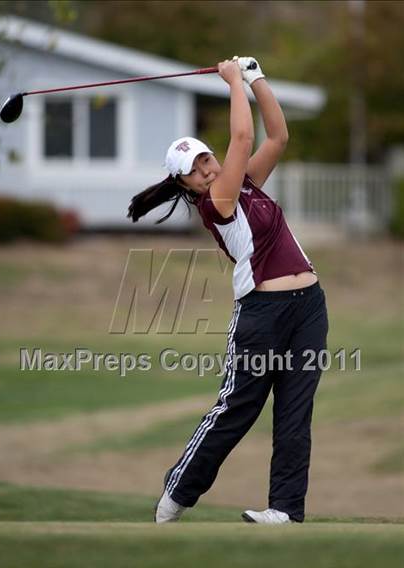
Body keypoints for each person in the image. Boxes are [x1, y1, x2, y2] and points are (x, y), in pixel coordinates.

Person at [127, 57, 329, 524]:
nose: (207, 169)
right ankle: (177, 492)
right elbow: (243, 137)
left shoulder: (249, 185)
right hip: (262, 313)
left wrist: (257, 80)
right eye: (195, 170)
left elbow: (277, 137)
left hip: (309, 309)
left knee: (296, 413)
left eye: (206, 159)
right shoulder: (216, 203)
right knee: (238, 408)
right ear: (186, 184)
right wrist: (233, 80)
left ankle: (285, 510)